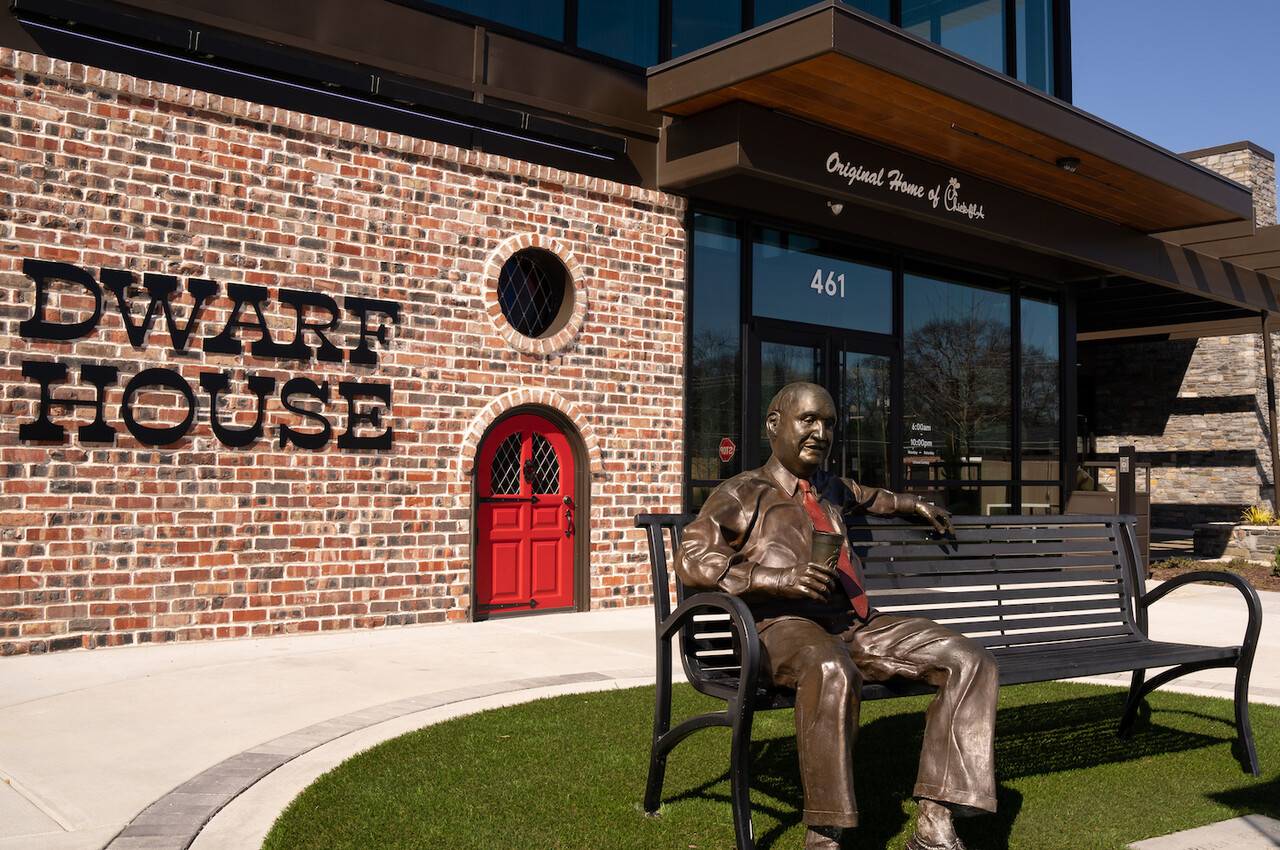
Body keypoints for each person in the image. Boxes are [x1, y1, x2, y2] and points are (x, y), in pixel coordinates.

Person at [676, 382, 998, 850]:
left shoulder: (830, 489)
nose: (820, 433)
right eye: (808, 420)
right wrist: (773, 578)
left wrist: (914, 505)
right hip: (780, 627)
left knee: (969, 660)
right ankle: (825, 836)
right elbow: (691, 557)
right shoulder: (743, 493)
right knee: (831, 668)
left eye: (828, 424)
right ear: (774, 425)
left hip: (854, 624)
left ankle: (935, 823)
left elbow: (873, 497)